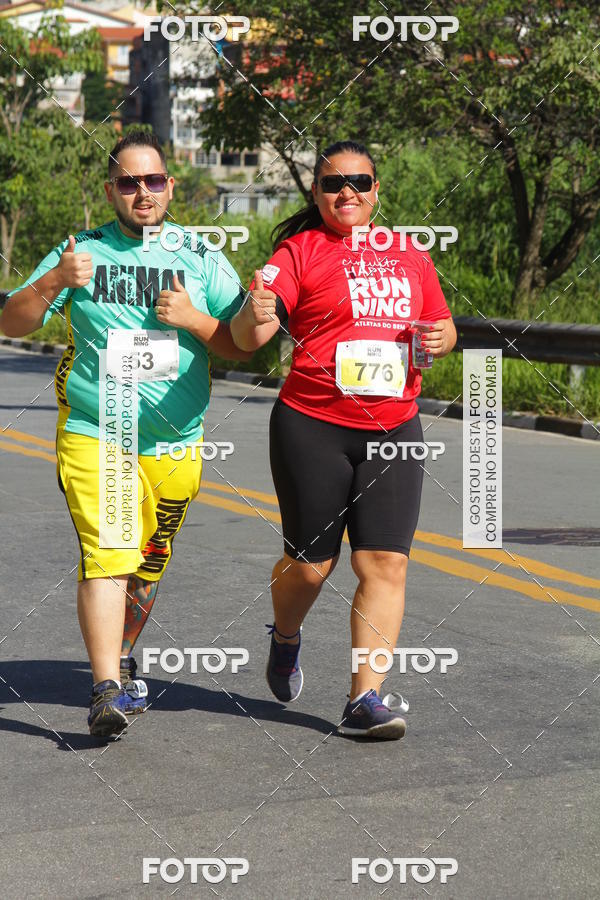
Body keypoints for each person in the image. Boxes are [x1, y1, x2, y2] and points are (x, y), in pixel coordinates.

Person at [0, 129, 250, 737]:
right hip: (96, 430)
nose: (144, 192)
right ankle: (105, 687)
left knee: (148, 562)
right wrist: (55, 281)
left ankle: (124, 656)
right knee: (108, 554)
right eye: (130, 182)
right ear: (111, 190)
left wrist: (196, 319)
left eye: (155, 180)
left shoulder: (200, 256)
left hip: (176, 439)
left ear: (171, 186)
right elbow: (11, 319)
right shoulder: (79, 250)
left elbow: (242, 345)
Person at [230, 140, 457, 740]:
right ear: (317, 193)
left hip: (394, 427)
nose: (347, 192)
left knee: (384, 562)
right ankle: (284, 637)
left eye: (360, 181)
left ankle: (365, 699)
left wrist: (442, 339)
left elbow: (443, 324)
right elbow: (254, 334)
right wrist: (257, 310)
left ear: (377, 190)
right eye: (334, 184)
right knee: (311, 567)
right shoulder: (298, 252)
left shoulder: (411, 254)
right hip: (314, 425)